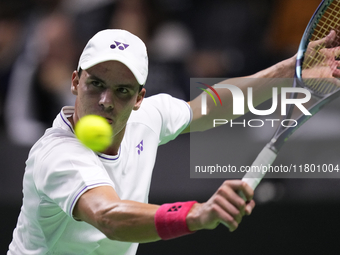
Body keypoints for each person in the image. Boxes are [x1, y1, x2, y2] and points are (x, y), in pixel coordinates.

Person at [7, 28, 339, 255]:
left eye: (122, 90)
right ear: (76, 81)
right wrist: (197, 214)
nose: (107, 100)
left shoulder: (147, 117)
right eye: (96, 84)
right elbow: (108, 214)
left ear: (139, 98)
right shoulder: (57, 156)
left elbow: (210, 107)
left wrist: (290, 69)